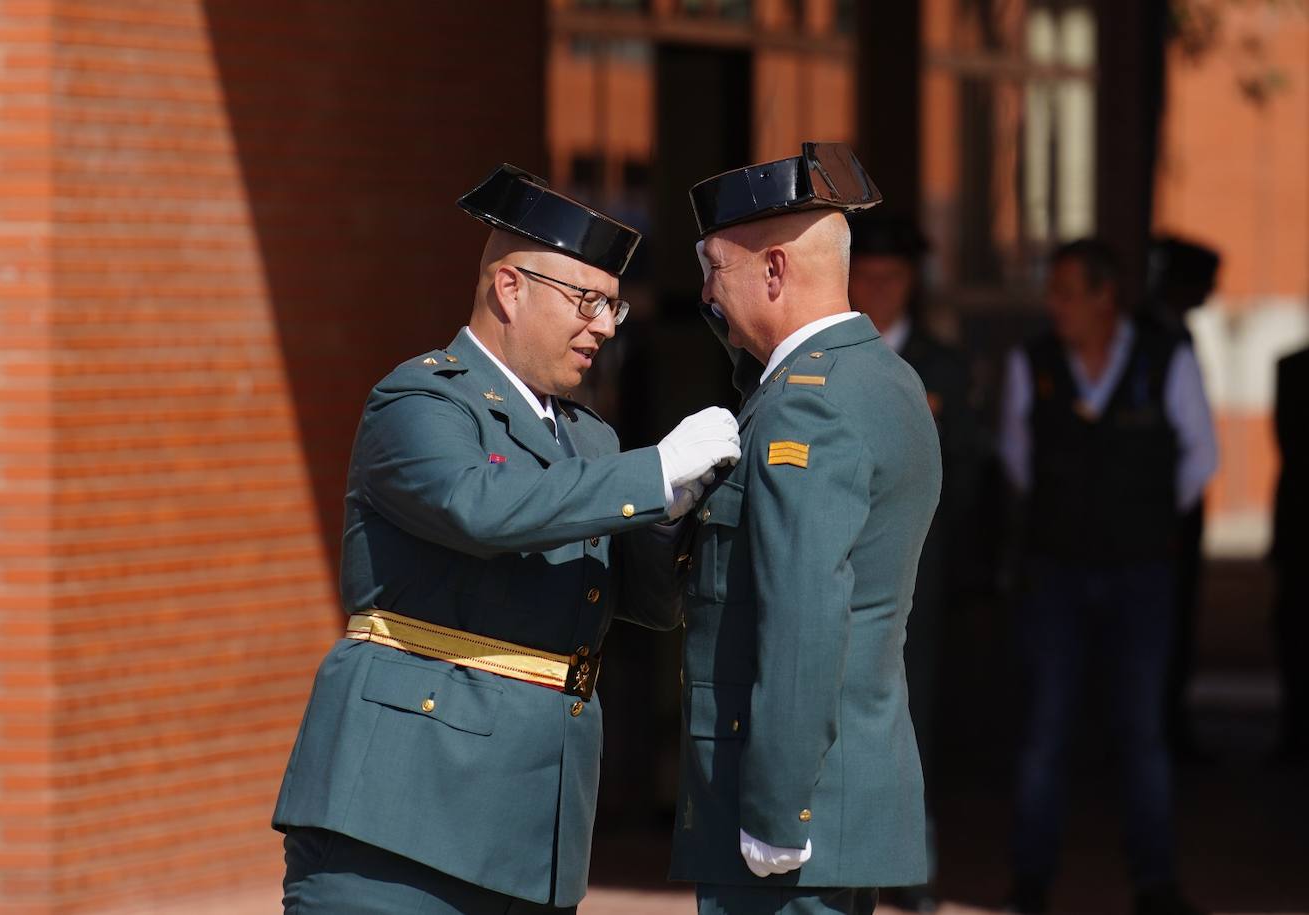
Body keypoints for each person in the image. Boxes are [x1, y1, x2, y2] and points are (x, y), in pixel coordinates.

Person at [272, 164, 742, 914]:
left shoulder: (591, 440)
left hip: (531, 822)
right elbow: (481, 508)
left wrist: (684, 505)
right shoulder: (421, 398)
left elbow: (648, 602)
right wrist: (651, 475)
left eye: (615, 307)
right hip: (401, 811)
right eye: (587, 300)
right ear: (510, 288)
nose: (605, 327)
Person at [669, 143, 942, 915]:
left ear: (775, 272)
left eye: (715, 270)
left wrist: (778, 808)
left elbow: (804, 616)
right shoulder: (881, 376)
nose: (706, 294)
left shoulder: (806, 402)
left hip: (791, 807)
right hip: (843, 780)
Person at [998, 239, 1217, 915]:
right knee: (1045, 729)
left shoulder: (1165, 358)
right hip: (1057, 569)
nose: (1054, 305)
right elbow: (1017, 455)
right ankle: (1030, 883)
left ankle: (1154, 883)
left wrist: (1140, 518)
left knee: (1143, 731)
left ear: (1104, 296)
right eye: (1052, 291)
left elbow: (1201, 456)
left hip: (1141, 573)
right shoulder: (1030, 363)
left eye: (1067, 291)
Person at [848, 213, 977, 912]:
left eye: (891, 277)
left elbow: (971, 474)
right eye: (864, 275)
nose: (878, 289)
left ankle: (914, 868)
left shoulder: (944, 364)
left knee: (913, 711)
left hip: (918, 573)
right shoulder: (827, 358)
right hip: (843, 565)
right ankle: (854, 860)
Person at [1143, 236, 1221, 760]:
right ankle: (1160, 725)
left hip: (1171, 508)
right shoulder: (1155, 338)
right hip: (1154, 510)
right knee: (1157, 625)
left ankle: (1168, 720)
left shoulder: (1172, 335)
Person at [1271, 344, 1309, 764]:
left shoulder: (1291, 369)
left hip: (1297, 520)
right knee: (1294, 628)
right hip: (1299, 524)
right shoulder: (1292, 368)